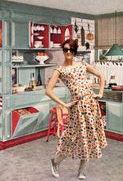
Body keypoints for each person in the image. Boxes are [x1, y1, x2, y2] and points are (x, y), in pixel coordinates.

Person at [45, 39, 107, 180]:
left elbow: (101, 76)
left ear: (74, 52)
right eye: (66, 49)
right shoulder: (60, 70)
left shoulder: (82, 65)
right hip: (77, 108)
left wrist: (101, 93)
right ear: (63, 50)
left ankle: (82, 170)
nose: (68, 52)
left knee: (89, 138)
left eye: (71, 50)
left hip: (91, 105)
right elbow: (48, 91)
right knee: (70, 138)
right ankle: (55, 162)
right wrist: (64, 104)